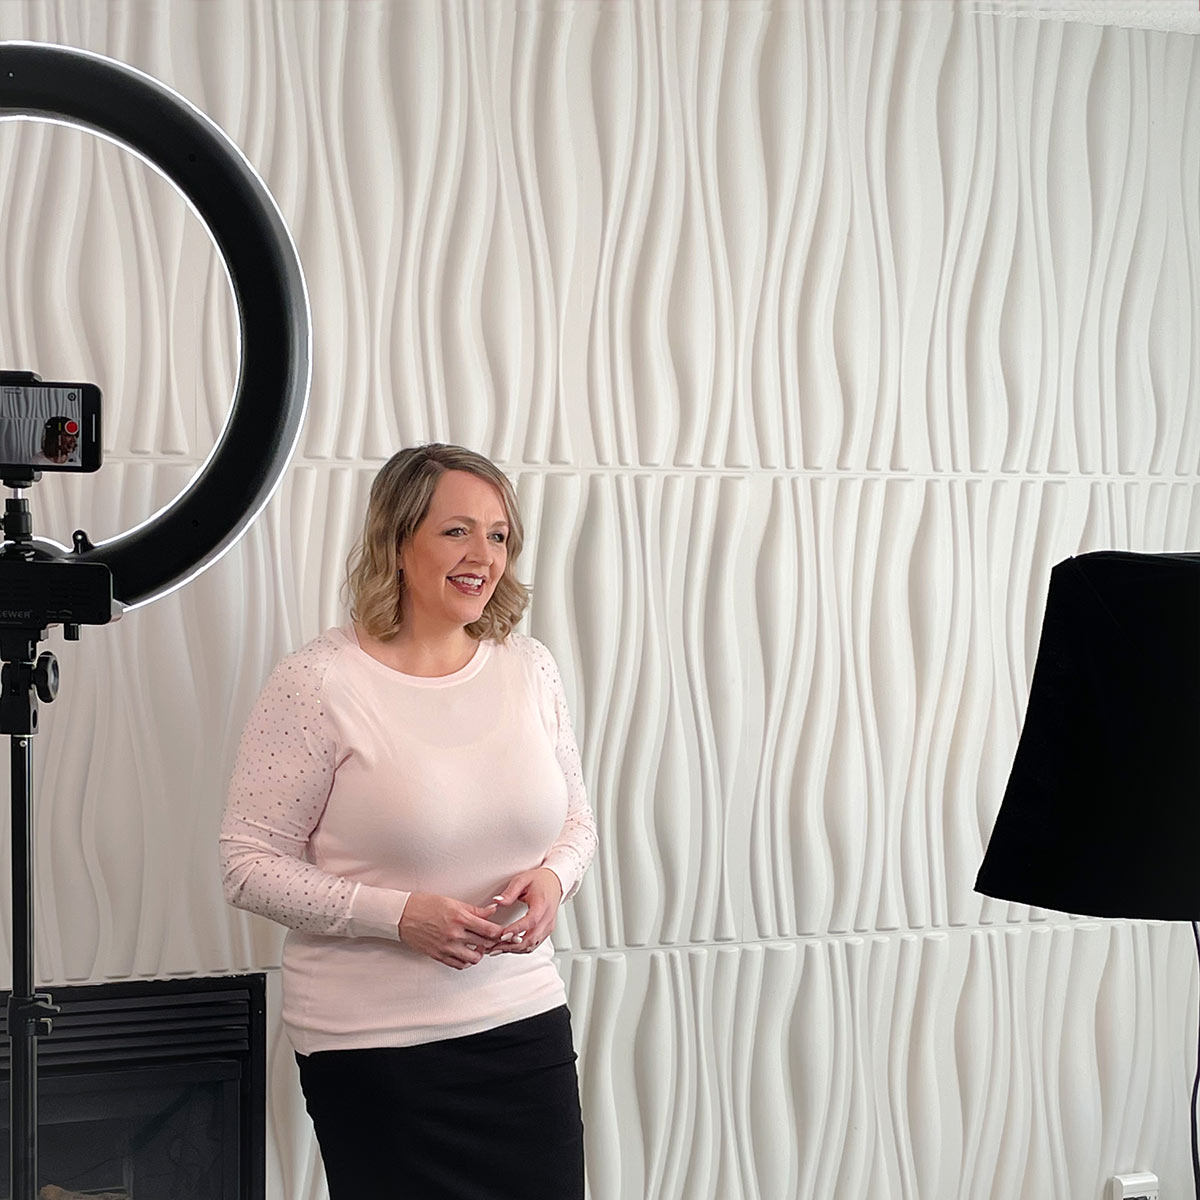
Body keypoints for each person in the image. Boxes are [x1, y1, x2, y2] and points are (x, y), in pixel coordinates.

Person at [220, 443, 597, 1199]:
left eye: (498, 535)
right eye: (456, 531)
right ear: (398, 542)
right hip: (375, 1049)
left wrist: (554, 879)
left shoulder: (530, 667)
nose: (482, 555)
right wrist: (400, 918)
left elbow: (577, 822)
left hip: (522, 1024)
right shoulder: (320, 680)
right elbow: (246, 863)